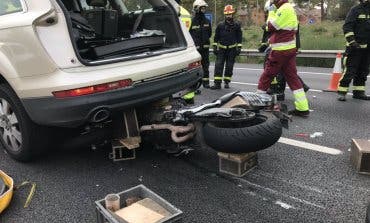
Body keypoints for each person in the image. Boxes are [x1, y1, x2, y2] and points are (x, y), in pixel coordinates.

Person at [257, 0, 310, 117]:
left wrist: (271, 13)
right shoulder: (289, 8)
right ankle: (303, 108)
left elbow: (271, 26)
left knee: (267, 76)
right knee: (293, 78)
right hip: (290, 49)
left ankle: (257, 103)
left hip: (280, 50)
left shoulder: (283, 9)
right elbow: (287, 29)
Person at [338, 0, 370, 101]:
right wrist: (352, 41)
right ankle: (342, 92)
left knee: (363, 71)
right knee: (350, 70)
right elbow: (347, 26)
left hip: (367, 49)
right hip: (354, 48)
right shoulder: (355, 10)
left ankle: (359, 92)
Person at [211, 5, 242, 89]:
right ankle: (217, 83)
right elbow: (216, 37)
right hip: (221, 49)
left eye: (230, 14)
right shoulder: (220, 25)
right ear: (225, 15)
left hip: (232, 50)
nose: (228, 16)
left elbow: (239, 37)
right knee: (218, 65)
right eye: (227, 14)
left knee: (229, 66)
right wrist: (214, 47)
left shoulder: (236, 25)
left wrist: (239, 48)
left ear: (232, 14)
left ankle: (227, 82)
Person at [189, 0, 212, 88]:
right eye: (202, 8)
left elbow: (209, 33)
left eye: (204, 8)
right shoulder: (192, 21)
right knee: (195, 68)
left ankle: (206, 83)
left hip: (205, 49)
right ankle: (195, 85)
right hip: (195, 50)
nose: (204, 10)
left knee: (206, 66)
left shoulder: (207, 21)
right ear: (197, 9)